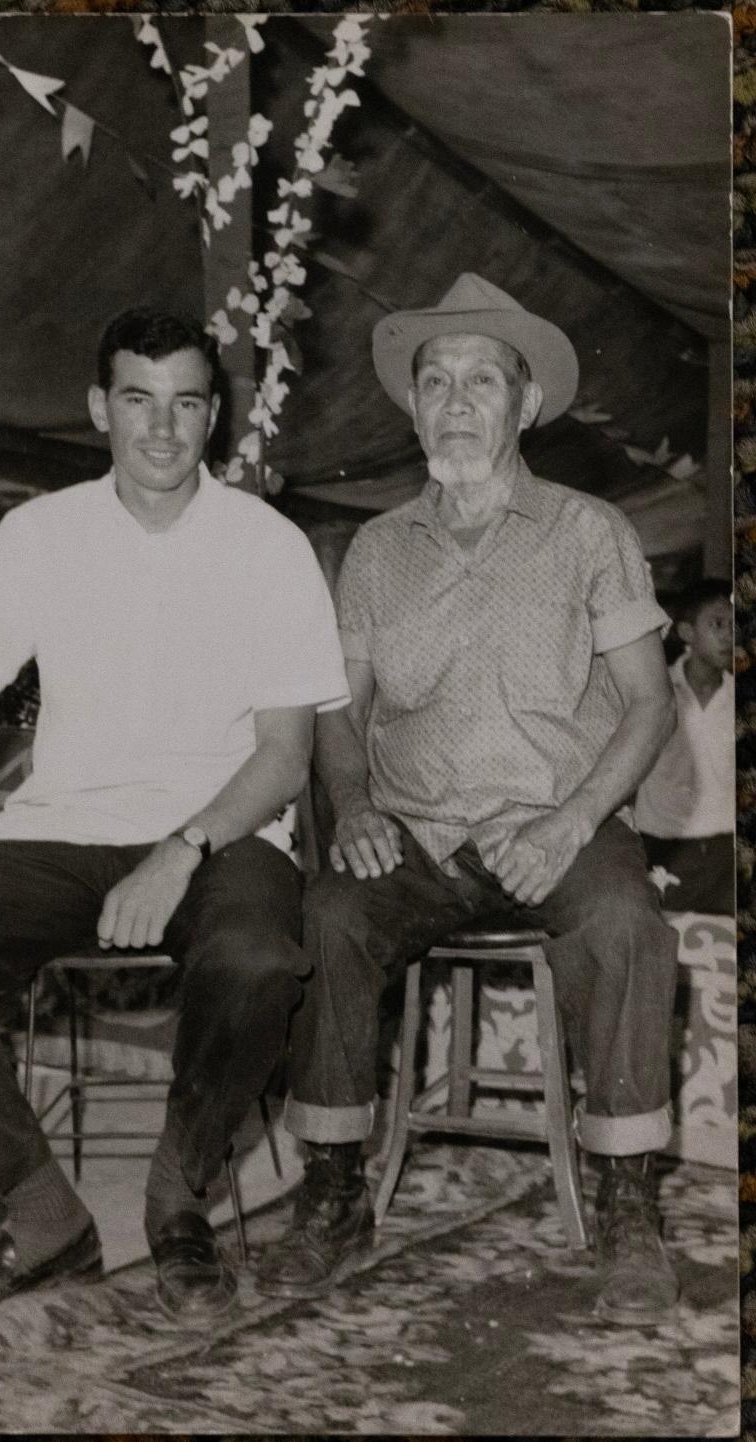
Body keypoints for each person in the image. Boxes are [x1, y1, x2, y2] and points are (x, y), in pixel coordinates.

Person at [0, 307, 349, 1332]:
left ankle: (178, 1196)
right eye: (137, 400)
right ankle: (41, 1214)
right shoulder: (40, 534)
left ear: (214, 416)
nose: (161, 429)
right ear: (98, 407)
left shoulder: (269, 546)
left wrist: (181, 848)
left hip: (223, 832)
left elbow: (286, 756)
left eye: (186, 404)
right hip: (60, 832)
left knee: (257, 955)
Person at [256, 272, 682, 1329]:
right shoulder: (372, 550)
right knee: (328, 914)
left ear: (525, 404)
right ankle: (335, 1190)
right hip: (414, 835)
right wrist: (352, 805)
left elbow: (649, 703)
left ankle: (630, 1205)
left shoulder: (590, 531)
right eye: (435, 380)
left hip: (556, 824)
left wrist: (575, 818)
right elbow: (336, 714)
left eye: (481, 380)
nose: (455, 399)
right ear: (412, 406)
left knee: (629, 922)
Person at [636, 579, 734, 914]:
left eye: (736, 625)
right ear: (687, 633)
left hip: (729, 855)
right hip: (665, 851)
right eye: (718, 624)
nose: (729, 636)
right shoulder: (653, 695)